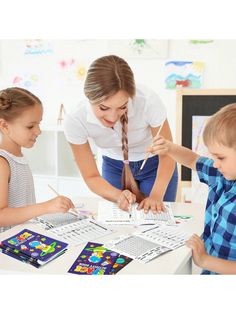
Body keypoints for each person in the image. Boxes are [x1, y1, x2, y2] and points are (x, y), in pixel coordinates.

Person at [64, 55, 178, 213]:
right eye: (103, 108)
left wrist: (156, 195)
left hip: (155, 165)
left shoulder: (147, 100)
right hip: (114, 166)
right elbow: (91, 176)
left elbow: (168, 153)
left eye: (122, 107)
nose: (112, 117)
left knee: (157, 219)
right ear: (89, 97)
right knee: (118, 221)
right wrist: (117, 195)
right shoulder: (75, 120)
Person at [150, 103, 236, 274]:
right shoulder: (223, 173)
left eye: (220, 157)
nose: (216, 163)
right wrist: (169, 148)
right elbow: (192, 160)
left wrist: (205, 260)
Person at [0, 87, 74, 233]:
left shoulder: (18, 158)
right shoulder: (3, 163)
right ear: (4, 126)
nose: (38, 131)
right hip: (7, 245)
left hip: (22, 236)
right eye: (30, 126)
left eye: (38, 123)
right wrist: (46, 207)